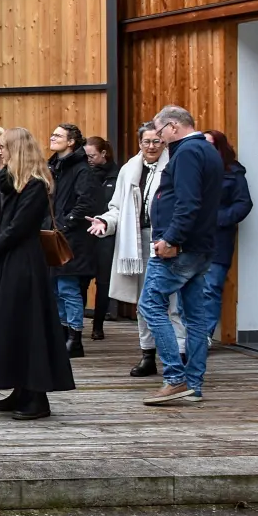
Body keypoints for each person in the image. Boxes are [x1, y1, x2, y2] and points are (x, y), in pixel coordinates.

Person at [0, 128, 75, 422]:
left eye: (5, 145)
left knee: (27, 325)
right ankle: (20, 388)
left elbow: (18, 227)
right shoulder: (10, 181)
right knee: (10, 324)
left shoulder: (35, 185)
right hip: (8, 262)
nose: (0, 149)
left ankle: (37, 395)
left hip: (23, 264)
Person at [141, 105, 224, 406]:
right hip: (200, 246)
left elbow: (188, 203)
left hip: (180, 247)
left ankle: (175, 378)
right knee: (195, 315)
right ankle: (194, 384)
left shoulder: (188, 152)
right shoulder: (207, 150)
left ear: (174, 126)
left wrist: (171, 238)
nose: (159, 139)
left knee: (150, 304)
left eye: (160, 132)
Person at [89, 123, 187, 377]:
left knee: (172, 302)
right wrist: (105, 221)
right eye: (146, 142)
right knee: (145, 301)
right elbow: (117, 207)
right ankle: (147, 354)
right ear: (139, 143)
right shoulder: (129, 169)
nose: (151, 147)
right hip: (138, 240)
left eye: (156, 141)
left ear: (164, 143)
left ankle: (180, 354)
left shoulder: (174, 166)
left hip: (168, 240)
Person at [46, 124, 96, 357]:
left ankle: (75, 337)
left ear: (71, 142)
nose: (52, 137)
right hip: (53, 234)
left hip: (71, 237)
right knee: (55, 287)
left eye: (58, 135)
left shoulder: (82, 169)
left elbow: (85, 202)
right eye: (53, 134)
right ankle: (62, 332)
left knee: (68, 287)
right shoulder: (53, 165)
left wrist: (64, 224)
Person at [203, 129, 253, 347]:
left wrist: (219, 219)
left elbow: (244, 203)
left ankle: (204, 336)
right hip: (191, 237)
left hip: (218, 239)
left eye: (209, 145)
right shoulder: (192, 168)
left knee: (210, 287)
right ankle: (186, 335)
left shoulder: (233, 172)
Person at [83, 137, 118, 340]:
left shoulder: (117, 174)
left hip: (107, 233)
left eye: (92, 156)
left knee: (103, 281)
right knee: (81, 279)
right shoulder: (84, 174)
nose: (88, 159)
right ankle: (76, 325)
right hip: (86, 232)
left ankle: (98, 325)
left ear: (103, 154)